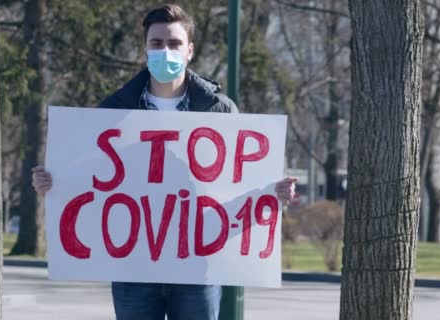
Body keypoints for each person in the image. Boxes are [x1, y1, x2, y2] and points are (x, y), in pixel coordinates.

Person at [31, 4, 297, 320]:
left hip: (199, 265)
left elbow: (241, 181)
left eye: (174, 44)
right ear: (145, 48)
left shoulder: (219, 111)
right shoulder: (114, 110)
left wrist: (273, 193)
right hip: (133, 265)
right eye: (157, 44)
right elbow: (87, 175)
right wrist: (53, 182)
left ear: (190, 51)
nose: (165, 51)